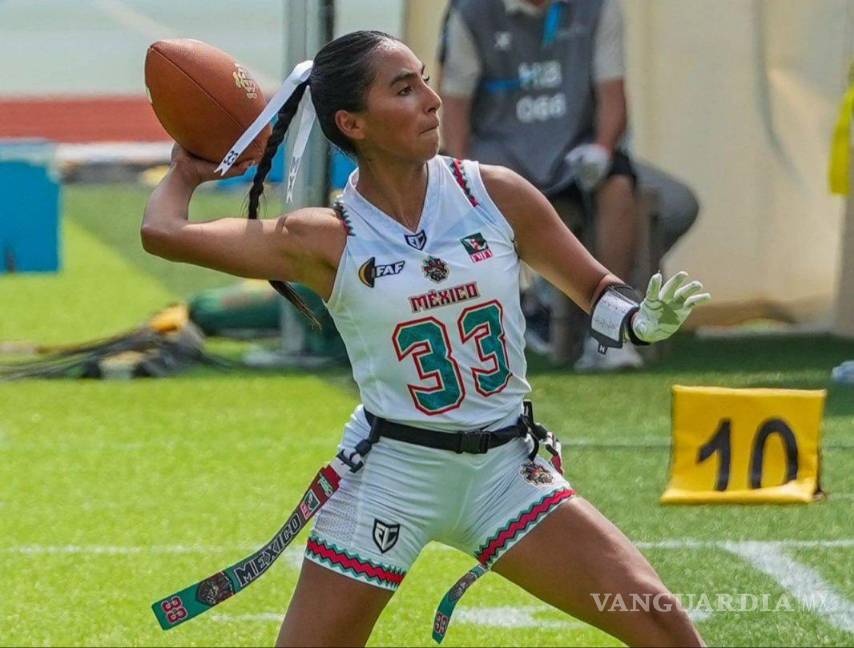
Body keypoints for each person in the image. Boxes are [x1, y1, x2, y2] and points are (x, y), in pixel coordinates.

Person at [141, 30, 708, 647]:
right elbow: (163, 232)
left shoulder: (495, 192)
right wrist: (187, 170)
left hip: (505, 471)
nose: (432, 101)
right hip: (394, 474)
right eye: (404, 89)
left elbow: (596, 288)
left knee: (663, 623)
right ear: (352, 123)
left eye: (425, 82)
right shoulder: (324, 236)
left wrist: (635, 320)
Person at [438, 0, 700, 371]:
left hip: (572, 151)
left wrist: (603, 149)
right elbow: (455, 106)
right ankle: (524, 306)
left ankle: (606, 335)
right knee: (465, 202)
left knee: (627, 188)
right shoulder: (471, 13)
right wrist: (461, 176)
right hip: (500, 153)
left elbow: (612, 93)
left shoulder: (597, 8)